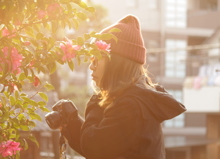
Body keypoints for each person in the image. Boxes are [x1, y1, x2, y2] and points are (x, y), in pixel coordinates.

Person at [59, 14, 186, 159]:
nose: (91, 67)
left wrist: (97, 100)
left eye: (96, 60)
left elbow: (94, 148)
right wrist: (71, 123)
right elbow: (101, 149)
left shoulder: (130, 105)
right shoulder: (138, 99)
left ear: (115, 63)